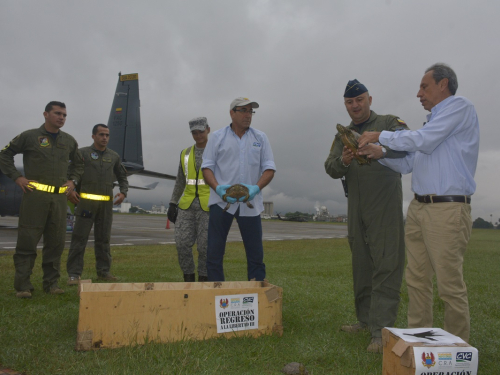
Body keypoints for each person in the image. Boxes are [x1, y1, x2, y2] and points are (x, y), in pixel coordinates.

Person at [357, 63, 479, 343]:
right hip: (419, 208)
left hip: (447, 209)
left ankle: (456, 351)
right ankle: (419, 344)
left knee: (449, 285)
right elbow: (410, 163)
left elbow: (424, 140)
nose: (418, 94)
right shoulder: (433, 122)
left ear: (443, 84)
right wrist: (380, 154)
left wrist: (380, 135)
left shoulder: (460, 107)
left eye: (424, 87)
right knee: (417, 281)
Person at [324, 80, 408, 353]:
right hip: (356, 207)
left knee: (386, 264)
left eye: (359, 99)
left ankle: (380, 331)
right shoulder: (342, 136)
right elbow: (331, 167)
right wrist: (345, 160)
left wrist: (381, 146)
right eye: (350, 102)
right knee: (361, 265)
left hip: (384, 207)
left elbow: (408, 142)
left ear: (369, 99)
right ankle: (364, 320)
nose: (355, 105)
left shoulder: (388, 122)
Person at [0, 101, 84, 298]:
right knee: (27, 241)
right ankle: (23, 286)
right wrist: (17, 177)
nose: (61, 117)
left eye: (64, 114)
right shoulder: (30, 137)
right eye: (57, 113)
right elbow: (5, 155)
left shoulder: (69, 141)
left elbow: (79, 165)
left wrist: (72, 181)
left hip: (59, 199)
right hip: (35, 197)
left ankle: (51, 284)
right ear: (45, 114)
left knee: (55, 242)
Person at [201, 97, 276, 282]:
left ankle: (256, 293)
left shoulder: (261, 138)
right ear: (231, 113)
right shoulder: (217, 137)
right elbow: (207, 167)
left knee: (256, 255)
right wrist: (218, 189)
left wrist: (255, 189)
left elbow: (269, 168)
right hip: (221, 203)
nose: (247, 115)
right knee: (214, 253)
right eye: (243, 110)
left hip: (250, 204)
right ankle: (216, 293)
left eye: (250, 111)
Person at [66, 124, 129, 285]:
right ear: (93, 136)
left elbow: (122, 176)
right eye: (101, 135)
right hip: (86, 203)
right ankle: (74, 274)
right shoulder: (82, 154)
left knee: (103, 240)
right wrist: (70, 190)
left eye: (107, 135)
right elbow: (70, 174)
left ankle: (104, 272)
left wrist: (123, 192)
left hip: (106, 206)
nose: (104, 138)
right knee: (79, 239)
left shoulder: (114, 156)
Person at [167, 117, 211, 282]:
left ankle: (204, 279)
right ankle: (188, 277)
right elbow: (180, 180)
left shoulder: (217, 151)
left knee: (205, 247)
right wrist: (173, 203)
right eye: (194, 132)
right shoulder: (185, 153)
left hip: (209, 206)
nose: (198, 135)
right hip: (186, 205)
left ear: (208, 129)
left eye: (201, 131)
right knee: (182, 243)